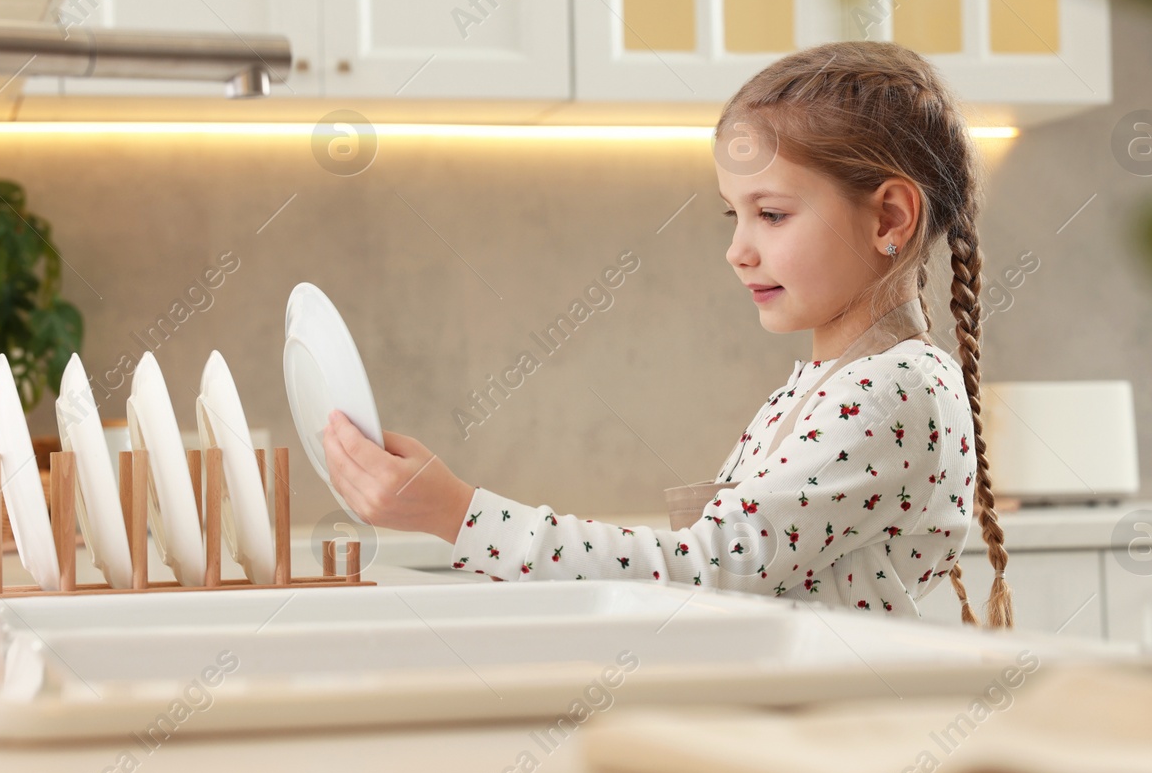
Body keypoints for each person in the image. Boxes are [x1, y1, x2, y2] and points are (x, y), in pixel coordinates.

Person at [321, 42, 1013, 627]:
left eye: (770, 213)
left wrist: (457, 513)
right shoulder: (835, 383)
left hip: (841, 741)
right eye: (732, 216)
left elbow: (701, 569)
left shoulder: (887, 390)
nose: (738, 249)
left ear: (889, 218)